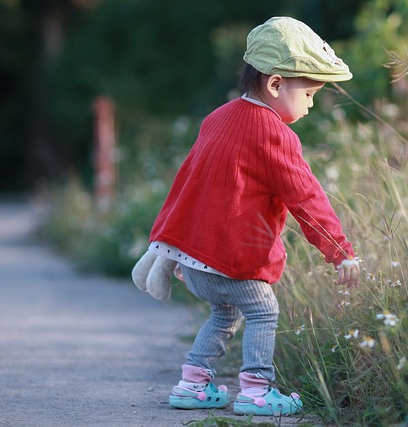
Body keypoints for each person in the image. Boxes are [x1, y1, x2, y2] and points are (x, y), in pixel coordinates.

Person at [146, 16, 359, 416]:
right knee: (264, 310)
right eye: (310, 94)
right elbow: (306, 198)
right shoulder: (274, 134)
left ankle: (193, 384)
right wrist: (339, 250)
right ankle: (258, 391)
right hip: (229, 259)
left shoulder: (218, 117)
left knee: (224, 312)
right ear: (276, 83)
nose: (312, 105)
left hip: (195, 257)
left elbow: (187, 183)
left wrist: (172, 245)